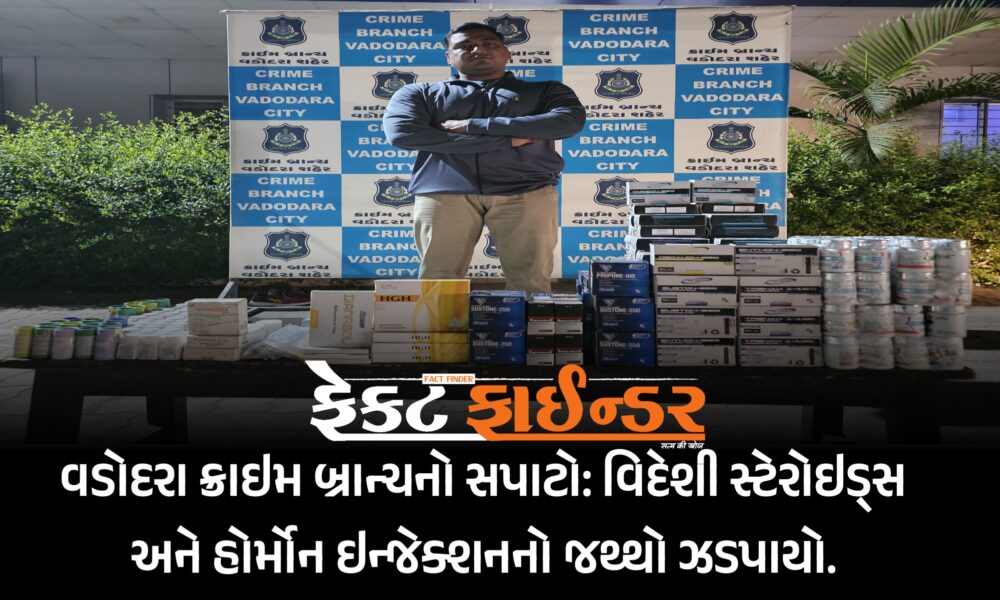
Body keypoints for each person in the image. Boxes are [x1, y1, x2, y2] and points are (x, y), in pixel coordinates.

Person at [383, 22, 585, 293]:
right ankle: (441, 324)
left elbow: (568, 122)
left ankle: (529, 324)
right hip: (443, 193)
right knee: (437, 281)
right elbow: (403, 134)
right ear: (449, 56)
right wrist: (503, 142)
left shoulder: (545, 91)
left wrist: (475, 126)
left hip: (526, 190)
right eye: (465, 46)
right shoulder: (418, 93)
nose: (478, 50)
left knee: (530, 281)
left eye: (488, 44)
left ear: (507, 53)